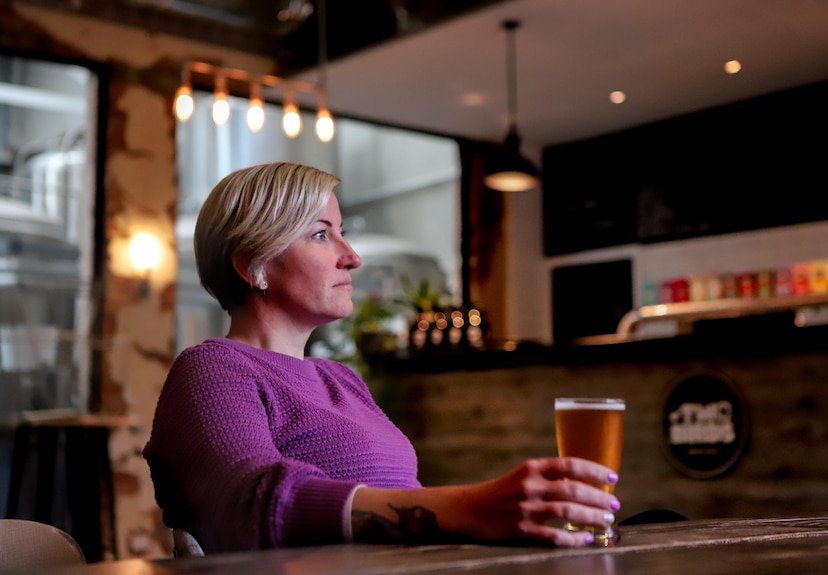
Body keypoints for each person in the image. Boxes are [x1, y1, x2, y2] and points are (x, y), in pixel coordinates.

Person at [143, 162, 621, 554]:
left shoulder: (342, 381)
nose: (352, 257)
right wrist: (471, 507)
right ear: (253, 265)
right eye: (320, 234)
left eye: (342, 233)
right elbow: (250, 504)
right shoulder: (212, 370)